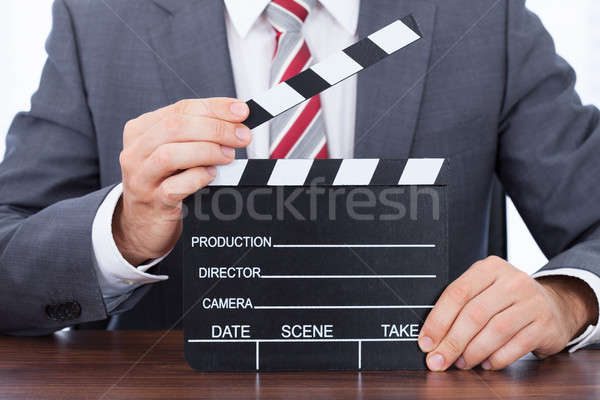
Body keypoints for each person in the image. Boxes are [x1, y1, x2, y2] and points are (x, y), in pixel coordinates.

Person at [1, 0, 599, 373]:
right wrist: (125, 230)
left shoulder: (482, 17)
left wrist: (568, 298)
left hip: (427, 379)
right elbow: (8, 255)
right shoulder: (101, 17)